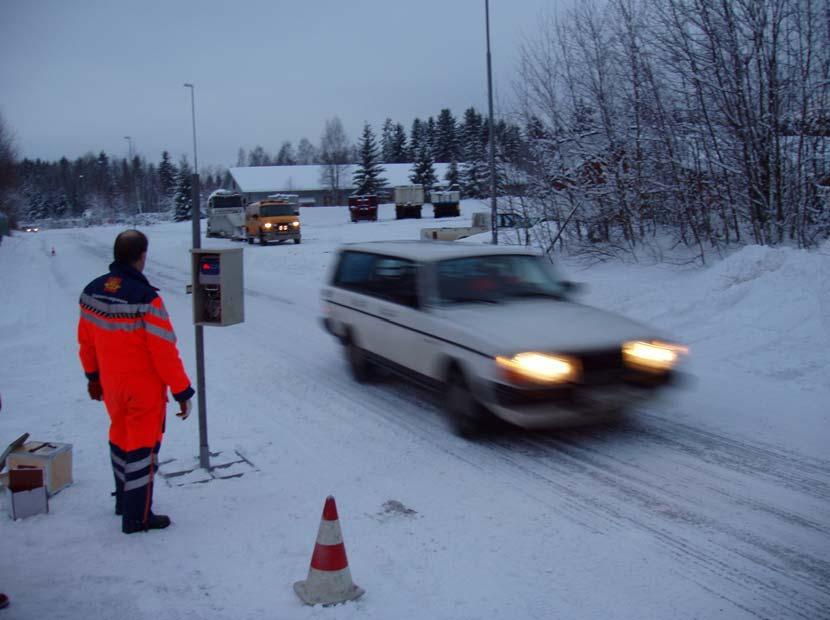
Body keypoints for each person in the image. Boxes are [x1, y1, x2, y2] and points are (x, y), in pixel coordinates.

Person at [78, 230, 194, 534]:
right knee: (143, 449)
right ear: (141, 256)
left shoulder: (92, 291)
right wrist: (182, 390)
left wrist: (92, 377)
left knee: (120, 438)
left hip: (112, 386)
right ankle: (137, 517)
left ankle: (123, 501)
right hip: (143, 390)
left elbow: (85, 342)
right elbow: (164, 351)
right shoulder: (146, 299)